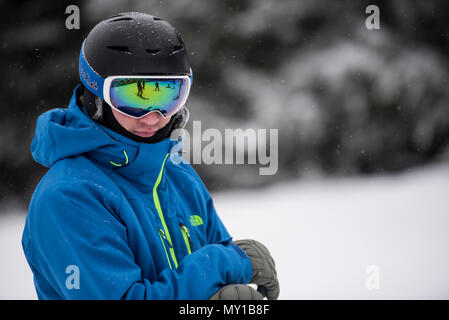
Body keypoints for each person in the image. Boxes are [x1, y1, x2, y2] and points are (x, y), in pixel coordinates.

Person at [22, 12, 279, 300]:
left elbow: (213, 276)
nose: (152, 117)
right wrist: (227, 262)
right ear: (96, 95)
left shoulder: (175, 173)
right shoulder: (68, 198)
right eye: (134, 96)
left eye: (168, 94)